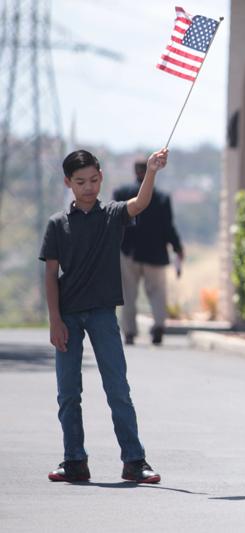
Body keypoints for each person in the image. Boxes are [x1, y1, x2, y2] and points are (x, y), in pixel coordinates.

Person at [39, 148, 168, 483]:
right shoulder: (57, 224)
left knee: (117, 388)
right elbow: (51, 275)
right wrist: (54, 320)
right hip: (67, 316)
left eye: (94, 179)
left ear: (101, 177)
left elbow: (139, 204)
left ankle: (134, 461)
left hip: (102, 316)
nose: (89, 187)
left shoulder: (112, 215)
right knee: (68, 393)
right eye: (80, 181)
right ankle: (74, 461)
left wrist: (151, 171)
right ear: (68, 182)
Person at [113, 160, 184, 345]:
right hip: (155, 253)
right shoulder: (161, 197)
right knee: (158, 292)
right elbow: (169, 228)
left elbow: (115, 223)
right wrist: (177, 247)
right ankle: (159, 326)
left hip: (128, 251)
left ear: (135, 171)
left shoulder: (122, 193)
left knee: (128, 294)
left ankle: (129, 331)